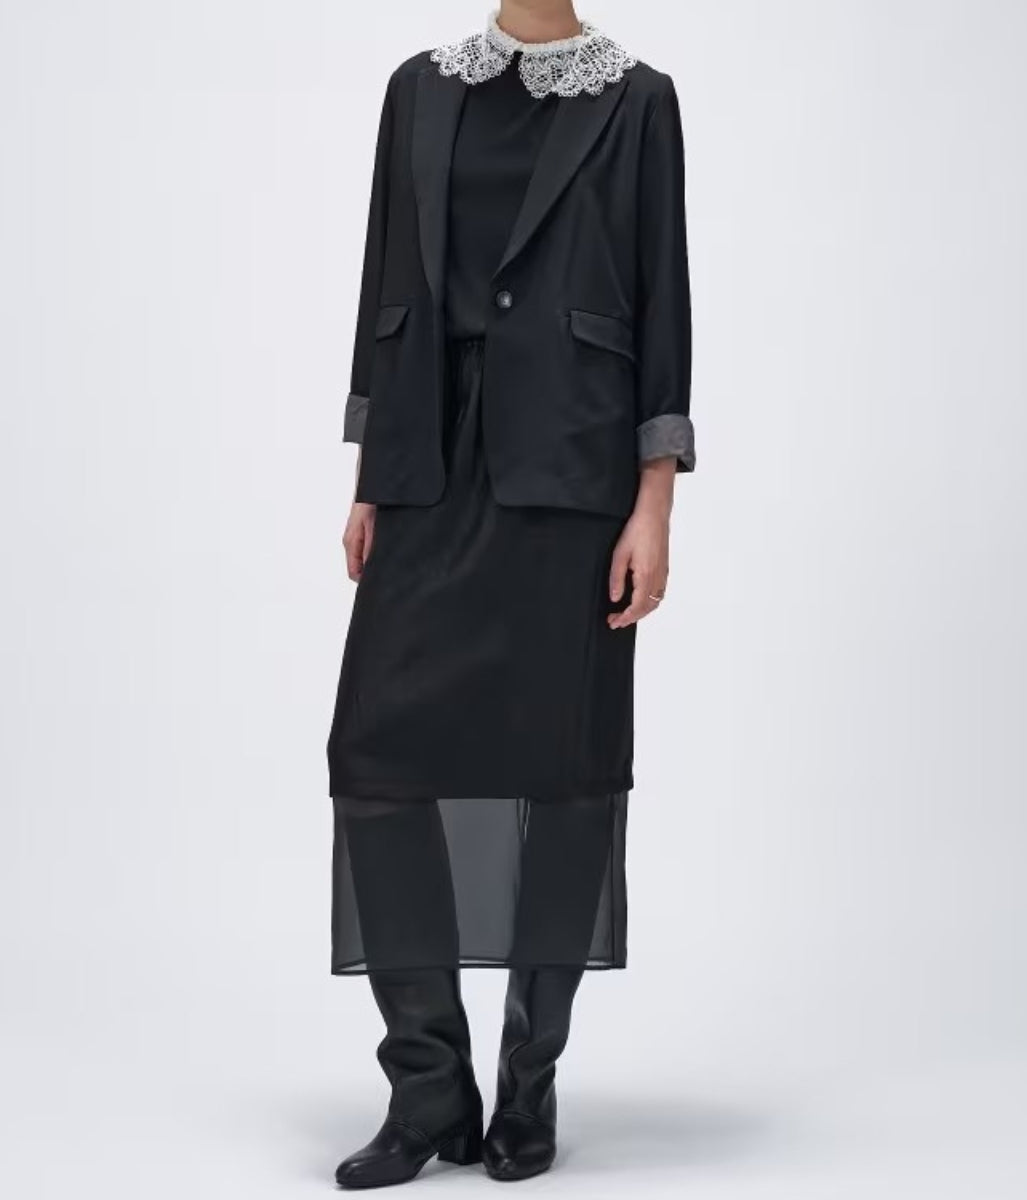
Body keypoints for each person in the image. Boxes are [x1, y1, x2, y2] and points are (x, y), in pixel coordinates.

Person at [326, 1, 694, 1186]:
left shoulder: (638, 100)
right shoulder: (418, 87)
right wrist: (371, 477)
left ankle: (528, 1088)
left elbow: (663, 301)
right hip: (429, 467)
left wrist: (654, 502)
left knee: (563, 771)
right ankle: (428, 1088)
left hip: (572, 479)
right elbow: (385, 277)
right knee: (374, 757)